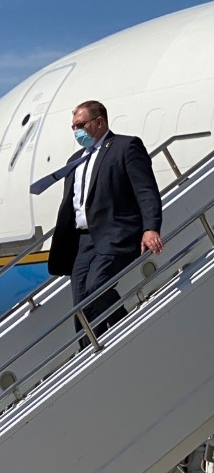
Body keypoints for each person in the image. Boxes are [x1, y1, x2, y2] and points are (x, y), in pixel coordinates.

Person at [48, 100, 163, 342]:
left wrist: (151, 227)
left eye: (80, 125)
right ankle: (88, 352)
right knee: (80, 305)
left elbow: (145, 190)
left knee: (96, 288)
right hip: (82, 242)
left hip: (114, 234)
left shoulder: (125, 147)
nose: (76, 131)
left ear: (99, 122)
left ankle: (126, 326)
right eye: (73, 127)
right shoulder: (75, 159)